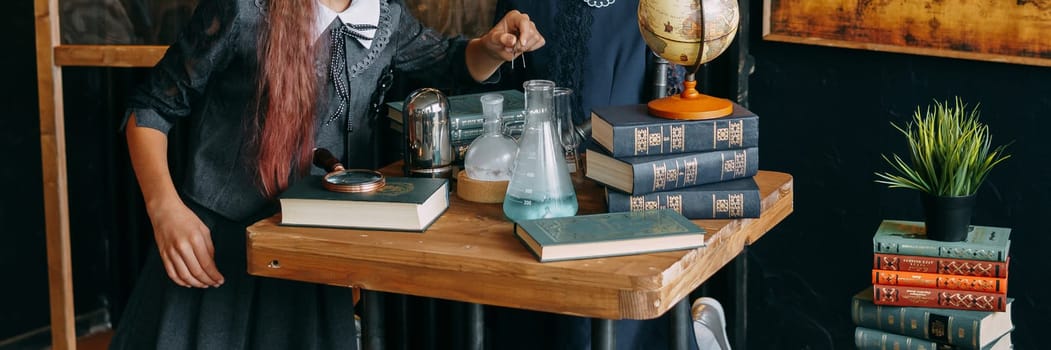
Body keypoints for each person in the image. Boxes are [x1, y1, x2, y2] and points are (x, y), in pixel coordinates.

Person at [110, 0, 543, 348]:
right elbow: (150, 109)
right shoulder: (242, 10)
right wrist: (165, 209)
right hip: (218, 251)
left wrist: (491, 46)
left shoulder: (384, 15)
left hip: (312, 256)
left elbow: (450, 63)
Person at [485, 1, 732, 350]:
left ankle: (703, 337)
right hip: (536, 197)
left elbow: (668, 111)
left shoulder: (656, 9)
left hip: (621, 198)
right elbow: (496, 84)